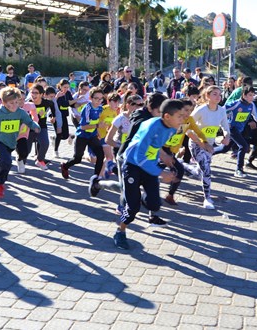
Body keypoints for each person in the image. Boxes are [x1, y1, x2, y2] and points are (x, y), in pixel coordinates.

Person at [113, 99, 185, 250]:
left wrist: (164, 156)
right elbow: (139, 156)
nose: (183, 119)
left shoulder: (172, 128)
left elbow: (155, 145)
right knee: (133, 208)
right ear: (167, 116)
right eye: (179, 116)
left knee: (154, 204)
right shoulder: (151, 127)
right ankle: (120, 231)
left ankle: (136, 195)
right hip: (132, 165)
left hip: (148, 164)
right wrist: (160, 172)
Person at [0, 87, 40, 198]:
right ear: (3, 102)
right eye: (11, 103)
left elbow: (29, 122)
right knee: (6, 161)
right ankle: (1, 184)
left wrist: (36, 127)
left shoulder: (20, 113)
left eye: (17, 102)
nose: (14, 105)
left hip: (11, 142)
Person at [189, 86, 231, 208]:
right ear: (207, 96)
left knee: (200, 171)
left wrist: (227, 136)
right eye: (214, 94)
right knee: (206, 170)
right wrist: (202, 143)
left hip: (210, 145)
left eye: (219, 94)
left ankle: (182, 165)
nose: (218, 97)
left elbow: (225, 127)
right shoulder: (201, 110)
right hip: (196, 143)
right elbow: (186, 127)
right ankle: (207, 198)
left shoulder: (221, 110)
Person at [60, 87, 105, 181]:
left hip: (92, 136)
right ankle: (65, 166)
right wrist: (97, 126)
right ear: (91, 98)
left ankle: (95, 179)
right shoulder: (87, 108)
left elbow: (96, 122)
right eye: (96, 98)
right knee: (77, 159)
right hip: (82, 136)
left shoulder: (100, 108)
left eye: (101, 99)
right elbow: (84, 127)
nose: (98, 101)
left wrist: (97, 132)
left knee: (100, 155)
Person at [222, 85, 257, 177]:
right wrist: (225, 120)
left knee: (224, 148)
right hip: (231, 128)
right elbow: (222, 110)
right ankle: (239, 169)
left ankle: (208, 152)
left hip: (239, 130)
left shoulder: (251, 105)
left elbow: (256, 116)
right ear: (244, 95)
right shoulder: (236, 104)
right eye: (250, 95)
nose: (252, 97)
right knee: (243, 146)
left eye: (253, 95)